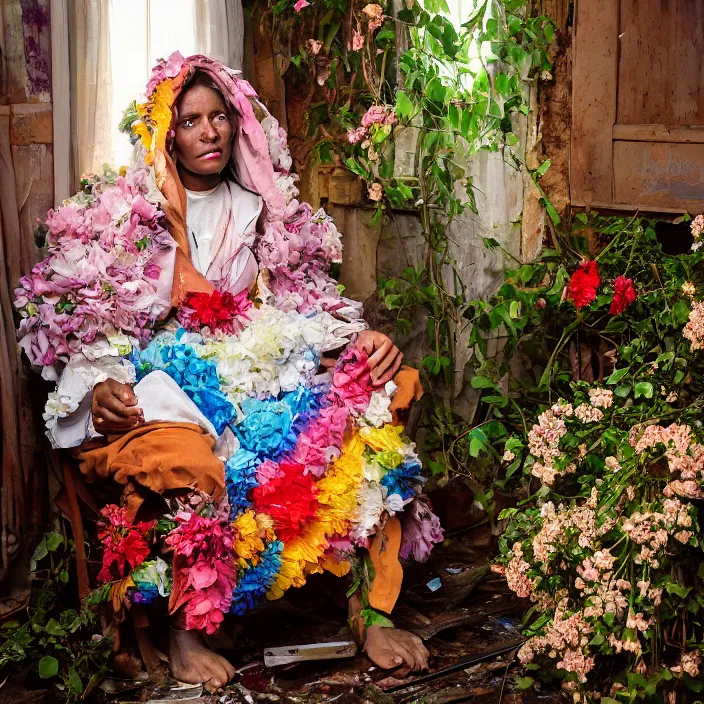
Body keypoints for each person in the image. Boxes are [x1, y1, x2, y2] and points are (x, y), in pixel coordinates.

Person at [22, 54, 434, 690]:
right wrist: (102, 386)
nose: (209, 132)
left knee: (382, 394)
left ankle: (371, 610)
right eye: (191, 121)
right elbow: (97, 319)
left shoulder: (260, 209)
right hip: (168, 386)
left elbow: (300, 299)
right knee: (192, 458)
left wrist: (360, 339)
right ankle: (187, 633)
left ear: (238, 126)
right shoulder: (128, 217)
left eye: (219, 117)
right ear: (167, 133)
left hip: (257, 369)